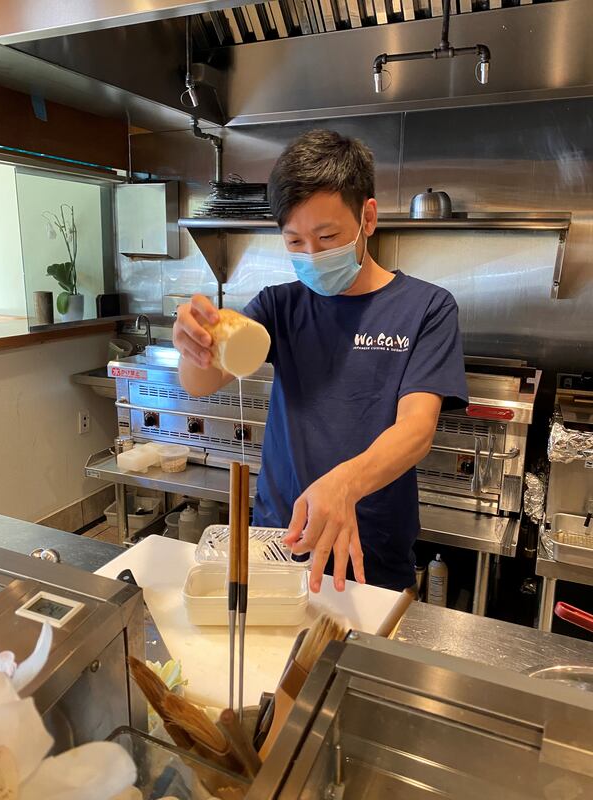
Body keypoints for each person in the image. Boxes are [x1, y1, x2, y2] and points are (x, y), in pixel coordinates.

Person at [173, 129, 468, 595]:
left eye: (327, 236)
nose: (312, 255)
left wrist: (345, 484)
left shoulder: (427, 308)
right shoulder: (280, 307)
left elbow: (417, 429)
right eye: (294, 242)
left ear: (367, 218)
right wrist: (194, 345)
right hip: (279, 542)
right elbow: (200, 382)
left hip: (372, 553)